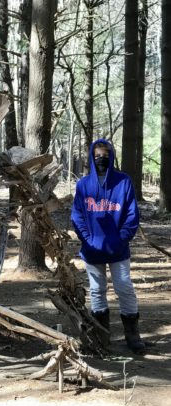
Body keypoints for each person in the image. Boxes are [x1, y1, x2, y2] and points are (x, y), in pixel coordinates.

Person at [71, 138, 145, 354]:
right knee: (96, 290)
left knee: (124, 287)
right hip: (92, 249)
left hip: (118, 249)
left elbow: (132, 214)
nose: (101, 159)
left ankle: (132, 333)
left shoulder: (123, 182)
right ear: (91, 159)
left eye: (105, 155)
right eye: (97, 156)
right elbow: (77, 216)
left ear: (111, 157)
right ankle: (101, 334)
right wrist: (87, 239)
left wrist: (121, 238)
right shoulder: (83, 185)